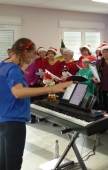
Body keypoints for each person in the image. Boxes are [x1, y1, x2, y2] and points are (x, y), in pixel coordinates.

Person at [0, 38, 72, 170]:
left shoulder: (3, 65)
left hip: (3, 119)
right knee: (13, 164)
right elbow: (18, 92)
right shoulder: (14, 70)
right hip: (13, 122)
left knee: (3, 162)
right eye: (33, 53)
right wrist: (51, 88)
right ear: (25, 52)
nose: (34, 56)